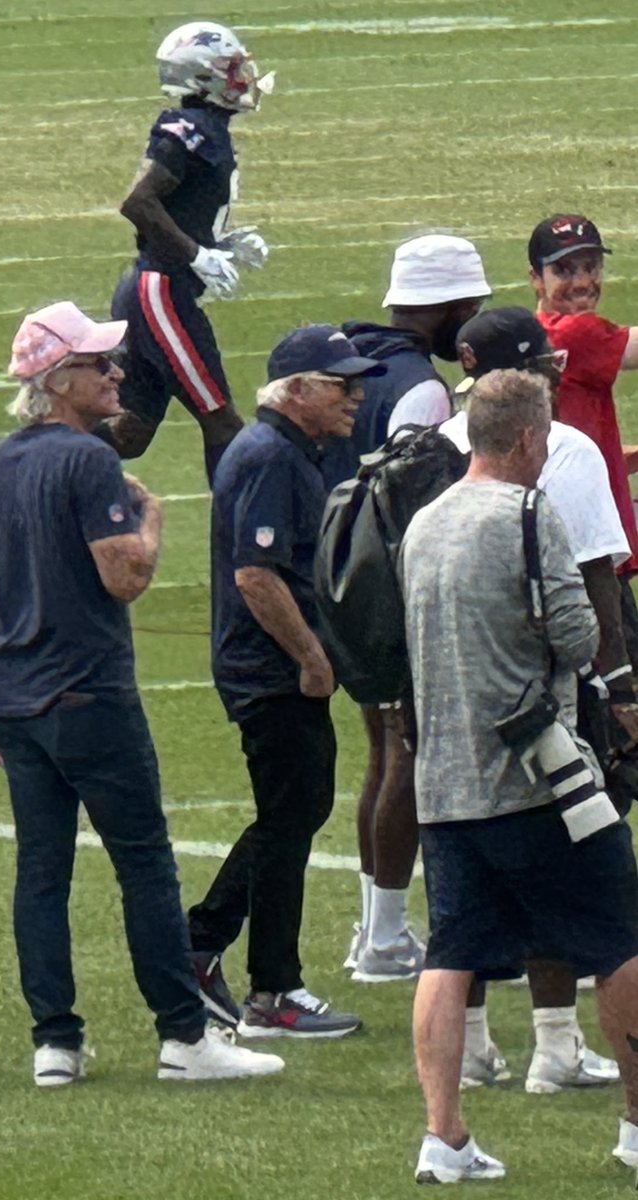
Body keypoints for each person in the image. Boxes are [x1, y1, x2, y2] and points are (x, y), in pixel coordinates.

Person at [0, 300, 284, 1086]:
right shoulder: (88, 461)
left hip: (19, 701)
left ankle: (55, 1041)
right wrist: (151, 517)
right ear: (57, 380)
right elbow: (125, 575)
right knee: (144, 863)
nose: (115, 374)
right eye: (98, 364)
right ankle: (184, 1035)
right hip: (89, 697)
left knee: (42, 872)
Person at [400, 368, 638, 1184]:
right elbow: (577, 635)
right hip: (538, 778)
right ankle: (637, 1127)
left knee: (451, 952)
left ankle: (444, 1136)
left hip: (444, 780)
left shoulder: (424, 522)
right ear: (531, 437)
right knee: (618, 937)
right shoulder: (529, 514)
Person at [440, 307, 631, 1093]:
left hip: (448, 719)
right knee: (592, 890)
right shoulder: (565, 455)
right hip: (542, 714)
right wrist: (621, 689)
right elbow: (591, 593)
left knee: (456, 920)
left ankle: (461, 1074)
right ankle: (560, 1044)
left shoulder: (431, 456)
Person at [187, 325, 377, 1039]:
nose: (355, 396)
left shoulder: (285, 450)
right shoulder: (271, 456)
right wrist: (311, 657)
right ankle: (258, 978)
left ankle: (219, 953)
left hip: (268, 665)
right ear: (296, 390)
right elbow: (256, 575)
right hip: (268, 668)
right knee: (291, 811)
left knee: (295, 809)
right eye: (340, 385)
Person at [326, 234, 491, 985]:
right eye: (471, 305)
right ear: (448, 307)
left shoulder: (356, 361)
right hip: (389, 590)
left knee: (381, 753)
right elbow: (409, 503)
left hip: (341, 579)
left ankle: (375, 929)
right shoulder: (421, 388)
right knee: (406, 754)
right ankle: (385, 939)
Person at [99, 20, 273, 485]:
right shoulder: (191, 129)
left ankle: (7, 461)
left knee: (130, 433)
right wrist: (196, 254)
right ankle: (236, 519)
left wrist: (220, 243)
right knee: (223, 423)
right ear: (199, 76)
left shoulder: (207, 128)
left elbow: (181, 205)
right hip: (161, 290)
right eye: (229, 69)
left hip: (154, 288)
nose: (241, 79)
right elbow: (138, 202)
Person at [529, 212, 638, 668]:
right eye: (564, 270)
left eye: (591, 266)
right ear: (536, 279)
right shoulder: (577, 333)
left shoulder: (536, 336)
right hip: (591, 554)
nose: (582, 281)